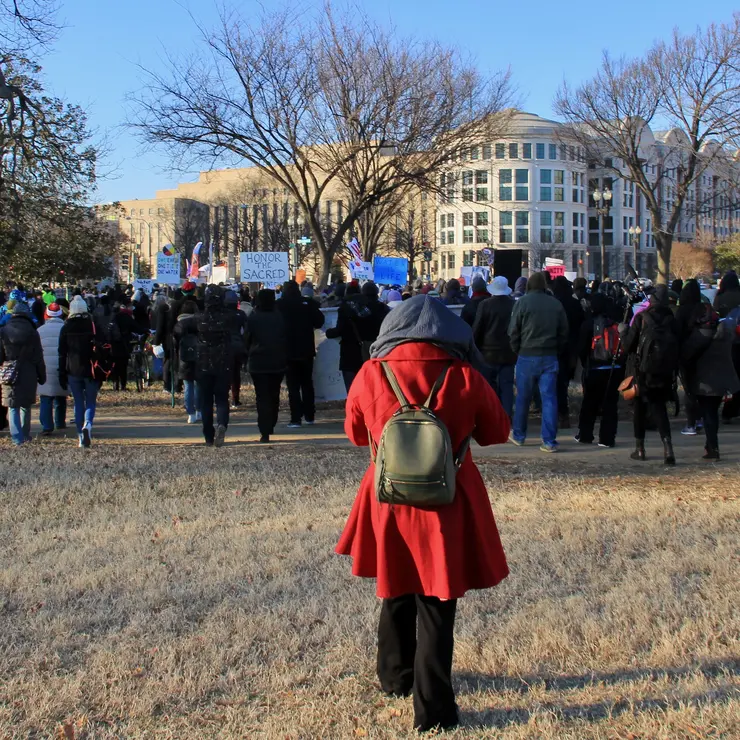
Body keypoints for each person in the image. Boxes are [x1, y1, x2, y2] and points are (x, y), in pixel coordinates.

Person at [336, 295, 510, 733]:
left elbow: (357, 435)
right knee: (436, 598)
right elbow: (496, 432)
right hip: (446, 497)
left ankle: (395, 676)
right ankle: (432, 709)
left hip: (387, 494)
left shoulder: (371, 372)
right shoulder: (464, 375)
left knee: (394, 583)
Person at [508, 272, 568, 452]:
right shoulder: (556, 304)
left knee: (523, 398)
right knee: (549, 399)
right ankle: (549, 441)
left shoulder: (522, 303)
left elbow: (513, 331)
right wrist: (556, 349)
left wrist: (517, 349)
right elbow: (564, 332)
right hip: (549, 356)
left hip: (526, 355)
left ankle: (519, 435)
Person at [621, 285, 680, 464]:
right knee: (659, 409)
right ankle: (668, 448)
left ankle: (640, 449)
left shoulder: (642, 318)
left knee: (639, 409)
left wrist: (623, 332)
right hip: (664, 372)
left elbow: (628, 346)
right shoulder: (672, 320)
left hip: (642, 372)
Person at [684, 309, 740, 460]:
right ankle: (710, 445)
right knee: (712, 413)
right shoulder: (726, 335)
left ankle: (712, 447)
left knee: (708, 414)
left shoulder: (698, 337)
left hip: (705, 382)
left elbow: (687, 357)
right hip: (722, 380)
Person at [575, 293, 624, 447]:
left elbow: (582, 349)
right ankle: (607, 439)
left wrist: (585, 364)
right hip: (614, 368)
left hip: (595, 368)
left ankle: (585, 434)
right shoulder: (615, 323)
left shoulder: (588, 324)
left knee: (590, 402)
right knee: (610, 404)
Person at [276, 280, 325, 428]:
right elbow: (319, 322)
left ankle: (295, 418)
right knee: (307, 384)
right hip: (306, 350)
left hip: (287, 350)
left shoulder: (279, 305)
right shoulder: (308, 304)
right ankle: (310, 416)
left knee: (293, 386)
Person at [325, 282, 390, 391]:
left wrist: (328, 332)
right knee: (373, 388)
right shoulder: (383, 308)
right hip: (376, 352)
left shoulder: (348, 307)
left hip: (351, 353)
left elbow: (340, 329)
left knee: (353, 390)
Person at [0, 302, 46, 446]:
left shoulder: (3, 331)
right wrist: (41, 374)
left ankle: (16, 438)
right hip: (29, 371)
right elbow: (38, 355)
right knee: (25, 405)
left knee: (12, 405)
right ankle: (26, 435)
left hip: (9, 371)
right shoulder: (33, 332)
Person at [246, 289, 287, 443]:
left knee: (262, 396)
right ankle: (271, 423)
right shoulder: (280, 317)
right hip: (277, 360)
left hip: (258, 361)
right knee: (274, 394)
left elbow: (247, 338)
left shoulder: (254, 318)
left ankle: (264, 429)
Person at [472, 275, 516, 418]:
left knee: (490, 388)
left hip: (488, 352)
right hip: (509, 352)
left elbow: (478, 328)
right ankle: (507, 418)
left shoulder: (485, 305)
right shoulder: (513, 304)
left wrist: (474, 348)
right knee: (507, 387)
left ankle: (492, 418)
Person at [59, 295, 99, 448]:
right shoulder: (92, 326)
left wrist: (61, 372)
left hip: (72, 369)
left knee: (78, 402)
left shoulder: (66, 327)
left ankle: (80, 436)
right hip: (91, 368)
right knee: (90, 401)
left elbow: (61, 353)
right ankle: (88, 424)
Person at [196, 285, 232, 447]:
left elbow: (180, 328)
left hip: (203, 364)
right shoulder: (229, 318)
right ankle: (222, 424)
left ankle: (208, 435)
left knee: (206, 402)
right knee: (222, 398)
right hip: (223, 363)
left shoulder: (199, 319)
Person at [552, 276, 585, 429]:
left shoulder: (553, 304)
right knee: (563, 382)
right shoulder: (574, 304)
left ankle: (557, 414)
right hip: (571, 347)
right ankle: (564, 415)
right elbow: (580, 325)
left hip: (554, 346)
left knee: (553, 382)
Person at [675, 280, 705, 435]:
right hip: (703, 352)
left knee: (688, 389)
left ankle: (691, 422)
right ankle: (701, 418)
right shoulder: (702, 309)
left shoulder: (682, 311)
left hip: (686, 353)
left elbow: (677, 332)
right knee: (700, 387)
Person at [37, 303, 68, 435]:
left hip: (45, 367)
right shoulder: (65, 329)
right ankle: (60, 422)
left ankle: (47, 425)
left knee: (46, 397)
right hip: (62, 366)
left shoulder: (40, 330)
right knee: (60, 397)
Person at [713, 271, 740, 423]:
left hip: (725, 342)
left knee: (728, 377)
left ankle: (725, 410)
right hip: (738, 340)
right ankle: (733, 409)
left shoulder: (720, 298)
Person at [173, 300, 200, 424]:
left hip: (184, 357)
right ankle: (200, 410)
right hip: (200, 356)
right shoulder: (200, 322)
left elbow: (174, 343)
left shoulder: (179, 325)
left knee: (188, 385)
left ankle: (190, 413)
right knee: (199, 385)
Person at [224, 290, 247, 409]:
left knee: (223, 373)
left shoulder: (221, 314)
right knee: (236, 374)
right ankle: (235, 399)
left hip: (224, 346)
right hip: (238, 346)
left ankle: (223, 398)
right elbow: (246, 331)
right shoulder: (241, 314)